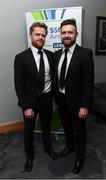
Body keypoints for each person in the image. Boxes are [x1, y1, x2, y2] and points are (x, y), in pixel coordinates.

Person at [14, 22, 58, 172]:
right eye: (37, 34)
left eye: (43, 35)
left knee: (46, 127)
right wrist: (25, 106)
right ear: (30, 35)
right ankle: (29, 156)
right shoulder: (21, 58)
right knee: (29, 130)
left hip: (46, 99)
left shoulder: (50, 56)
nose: (40, 37)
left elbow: (53, 78)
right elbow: (18, 85)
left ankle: (48, 148)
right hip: (30, 101)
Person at [54, 19, 94, 173]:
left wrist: (85, 106)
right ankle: (69, 147)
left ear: (76, 34)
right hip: (61, 101)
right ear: (60, 35)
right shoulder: (57, 54)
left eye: (70, 32)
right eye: (63, 32)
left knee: (80, 131)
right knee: (67, 128)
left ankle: (80, 157)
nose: (66, 35)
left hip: (78, 103)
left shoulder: (85, 54)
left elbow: (88, 82)